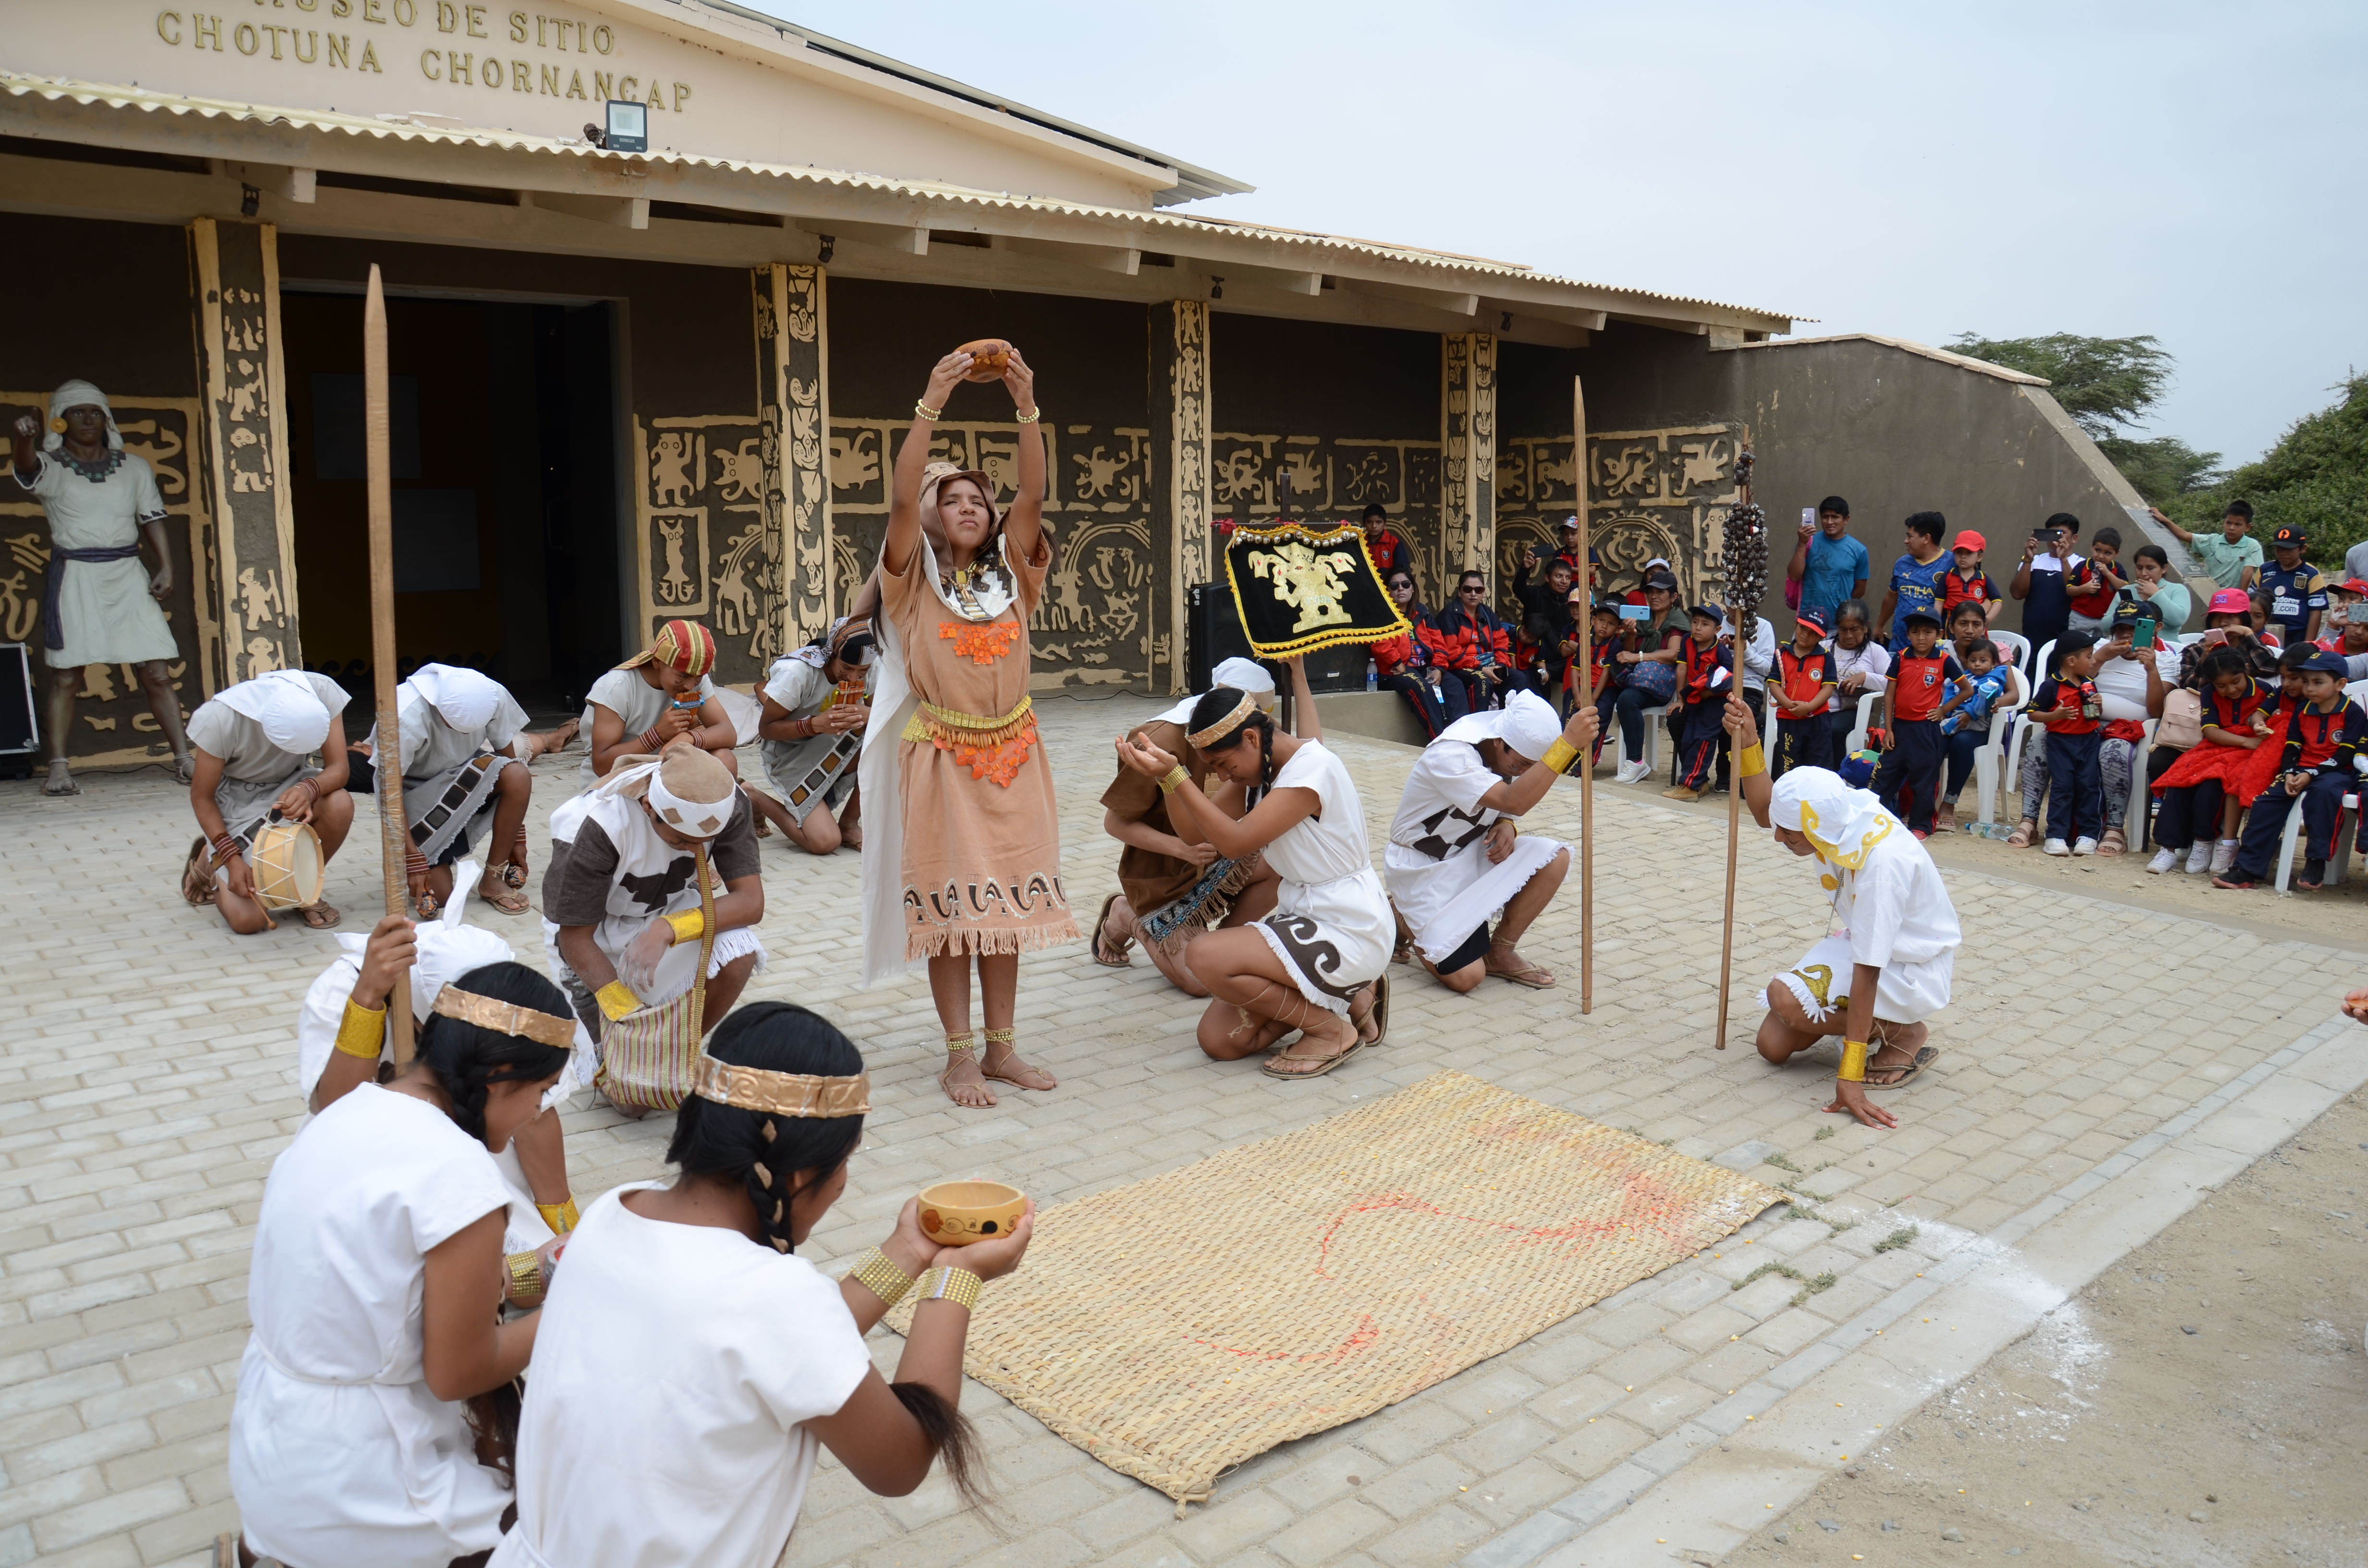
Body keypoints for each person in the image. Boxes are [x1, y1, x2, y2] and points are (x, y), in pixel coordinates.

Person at [489, 1003, 1031, 1568]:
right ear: (798, 1176)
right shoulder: (777, 1301)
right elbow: (900, 1465)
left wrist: (910, 1250)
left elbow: (774, 1352)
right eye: (845, 1161)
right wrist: (955, 1280)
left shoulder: (612, 1213)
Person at [225, 957, 573, 1568]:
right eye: (541, 1095)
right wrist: (576, 1307)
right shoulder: (458, 1176)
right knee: (553, 1519)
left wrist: (529, 1271)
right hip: (357, 1478)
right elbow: (458, 1373)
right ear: (499, 1078)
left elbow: (383, 1285)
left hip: (268, 1438)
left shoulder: (346, 1114)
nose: (536, 1117)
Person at [859, 345, 1071, 1110]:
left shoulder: (1018, 570)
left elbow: (1036, 494)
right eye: (953, 500)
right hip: (943, 759)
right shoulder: (911, 581)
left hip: (1016, 755)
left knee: (1006, 907)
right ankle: (959, 1058)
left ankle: (1003, 1048)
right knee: (952, 916)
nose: (972, 506)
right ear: (932, 518)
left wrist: (1026, 401)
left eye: (980, 497)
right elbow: (898, 501)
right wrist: (934, 394)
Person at [1114, 685, 1390, 1078]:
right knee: (1221, 1041)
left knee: (1204, 956)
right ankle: (1348, 995)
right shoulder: (1260, 767)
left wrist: (1177, 775)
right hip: (1308, 916)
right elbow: (1194, 834)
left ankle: (1330, 1031)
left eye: (1224, 765)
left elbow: (1234, 842)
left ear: (1250, 738)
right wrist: (1167, 781)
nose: (1225, 776)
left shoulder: (1311, 770)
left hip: (1350, 923)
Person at [1725, 695, 1960, 1125]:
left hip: (1908, 966)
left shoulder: (1880, 863)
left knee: (1784, 998)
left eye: (1788, 834)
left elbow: (1870, 968)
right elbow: (1764, 812)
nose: (1778, 838)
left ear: (1815, 827)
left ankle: (1905, 1031)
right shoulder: (1830, 811)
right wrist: (1750, 739)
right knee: (1773, 1047)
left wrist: (1848, 1077)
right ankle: (1868, 1027)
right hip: (1864, 947)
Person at [297, 894, 581, 1245]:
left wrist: (563, 1227)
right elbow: (335, 1113)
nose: (539, 1104)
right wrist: (369, 997)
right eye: (539, 1093)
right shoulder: (351, 986)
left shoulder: (496, 992)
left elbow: (535, 1117)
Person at [544, 744, 765, 1104]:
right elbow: (574, 939)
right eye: (680, 840)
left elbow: (751, 902)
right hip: (591, 938)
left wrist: (668, 929)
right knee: (630, 1100)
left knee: (739, 949)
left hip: (670, 915)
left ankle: (680, 1051)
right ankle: (635, 1046)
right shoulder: (594, 825)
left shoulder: (727, 802)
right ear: (649, 806)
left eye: (702, 843)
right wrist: (629, 1017)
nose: (693, 850)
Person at [9, 383, 193, 797]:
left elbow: (151, 517)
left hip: (128, 572)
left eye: (95, 412)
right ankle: (59, 769)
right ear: (62, 420)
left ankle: (183, 758)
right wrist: (23, 438)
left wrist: (165, 565)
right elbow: (25, 467)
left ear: (106, 418)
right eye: (78, 413)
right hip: (77, 575)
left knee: (157, 673)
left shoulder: (135, 467)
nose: (88, 420)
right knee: (68, 677)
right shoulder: (50, 465)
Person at [1092, 655, 1290, 994]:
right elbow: (1115, 823)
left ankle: (1221, 949)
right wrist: (1180, 848)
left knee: (1285, 861)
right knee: (1199, 985)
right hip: (1162, 876)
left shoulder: (1255, 740)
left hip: (1219, 857)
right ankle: (1125, 914)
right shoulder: (1157, 740)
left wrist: (1298, 674)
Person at [1384, 691, 1591, 992]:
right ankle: (1399, 913)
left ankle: (1500, 953)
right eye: (1520, 764)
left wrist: (1506, 823)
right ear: (1498, 741)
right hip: (1420, 869)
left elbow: (1509, 809)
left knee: (1555, 857)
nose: (1522, 773)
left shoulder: (1502, 752)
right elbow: (1514, 800)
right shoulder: (1451, 756)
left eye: (1531, 767)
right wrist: (1567, 747)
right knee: (1467, 979)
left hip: (1473, 853)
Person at [348, 663, 568, 919]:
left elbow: (509, 762)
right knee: (442, 897)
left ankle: (492, 878)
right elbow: (390, 795)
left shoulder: (491, 696)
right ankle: (420, 858)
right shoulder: (404, 714)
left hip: (465, 776)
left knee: (517, 774)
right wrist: (413, 860)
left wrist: (517, 835)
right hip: (412, 788)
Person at [182, 669, 355, 933]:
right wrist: (231, 858)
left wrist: (310, 788)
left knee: (339, 804)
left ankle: (303, 890)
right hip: (236, 800)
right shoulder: (219, 717)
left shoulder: (322, 692)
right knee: (248, 922)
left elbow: (339, 769)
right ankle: (212, 858)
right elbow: (202, 798)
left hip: (296, 781)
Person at [2213, 650, 2366, 892]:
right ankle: (2247, 869)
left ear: (2340, 684)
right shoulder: (2302, 710)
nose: (2309, 688)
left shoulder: (2353, 713)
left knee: (2325, 795)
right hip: (2301, 769)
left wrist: (2312, 774)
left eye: (2318, 682)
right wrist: (2290, 773)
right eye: (2306, 682)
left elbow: (2344, 755)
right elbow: (2292, 747)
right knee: (2265, 802)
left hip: (2336, 772)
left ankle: (2316, 862)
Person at [2147, 648, 2277, 875]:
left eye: (2236, 682)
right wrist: (2246, 742)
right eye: (2222, 686)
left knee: (2212, 786)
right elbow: (2210, 732)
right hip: (2218, 747)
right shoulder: (2209, 693)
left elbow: (2266, 725)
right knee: (2179, 780)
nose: (2231, 690)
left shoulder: (2266, 691)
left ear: (2246, 671)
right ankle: (2168, 848)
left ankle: (2203, 841)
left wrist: (2249, 742)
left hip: (2248, 755)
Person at [757, 615, 874, 856]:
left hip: (835, 744)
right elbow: (766, 729)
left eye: (862, 672)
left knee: (883, 742)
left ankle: (850, 824)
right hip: (789, 755)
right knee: (824, 843)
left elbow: (878, 717)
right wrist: (814, 726)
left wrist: (868, 713)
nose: (853, 679)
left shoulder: (872, 668)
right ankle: (754, 797)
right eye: (847, 669)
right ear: (831, 655)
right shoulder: (798, 673)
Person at [1869, 608, 1968, 837]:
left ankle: (1921, 825)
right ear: (1908, 634)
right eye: (1915, 632)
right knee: (1883, 776)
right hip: (1900, 729)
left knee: (1924, 781)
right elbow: (1890, 695)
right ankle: (1872, 819)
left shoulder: (1944, 660)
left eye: (1927, 632)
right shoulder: (1901, 657)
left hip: (1926, 731)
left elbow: (1966, 690)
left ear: (1939, 634)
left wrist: (1943, 710)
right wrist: (1889, 729)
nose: (1921, 638)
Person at [2087, 603, 2173, 854]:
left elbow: (2156, 711)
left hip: (2132, 731)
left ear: (2150, 632)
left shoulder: (2165, 660)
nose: (2126, 637)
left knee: (2113, 752)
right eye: (2120, 630)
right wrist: (2101, 657)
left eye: (2135, 630)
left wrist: (2151, 670)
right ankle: (2039, 822)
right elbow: (2072, 687)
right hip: (2088, 722)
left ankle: (2115, 828)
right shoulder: (2097, 651)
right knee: (2048, 744)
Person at [1935, 615, 2020, 832]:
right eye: (1963, 624)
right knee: (1933, 740)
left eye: (1976, 625)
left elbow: (2011, 694)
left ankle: (1948, 804)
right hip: (1954, 720)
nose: (1969, 630)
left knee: (1961, 743)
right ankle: (1924, 801)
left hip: (1984, 726)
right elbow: (1951, 691)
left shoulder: (1997, 658)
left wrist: (1993, 703)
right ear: (1952, 627)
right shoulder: (1945, 653)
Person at [2028, 631, 2106, 857]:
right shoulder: (2051, 686)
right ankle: (2055, 835)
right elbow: (2033, 713)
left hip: (2089, 741)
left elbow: (2095, 714)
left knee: (2090, 786)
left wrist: (2099, 704)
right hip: (2061, 743)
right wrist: (2055, 715)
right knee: (2062, 788)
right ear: (2072, 661)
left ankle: (2088, 835)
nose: (2093, 662)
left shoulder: (2089, 683)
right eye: (2089, 657)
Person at [1607, 569, 1688, 784]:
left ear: (1674, 597)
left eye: (1661, 592)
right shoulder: (1644, 617)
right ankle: (1635, 761)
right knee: (1623, 698)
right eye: (1650, 591)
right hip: (1641, 681)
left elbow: (1673, 654)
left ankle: (1635, 761)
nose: (1654, 596)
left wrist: (1639, 657)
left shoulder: (1677, 620)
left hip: (1664, 685)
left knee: (1627, 699)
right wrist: (1632, 634)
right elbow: (1628, 651)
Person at [1371, 568, 1468, 740]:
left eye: (1405, 584)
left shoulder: (1422, 613)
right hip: (1397, 671)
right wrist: (1397, 662)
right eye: (1394, 586)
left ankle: (1461, 739)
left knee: (1455, 685)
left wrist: (1439, 668)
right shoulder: (1381, 613)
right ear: (1388, 591)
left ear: (1413, 588)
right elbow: (1379, 642)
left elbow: (1439, 643)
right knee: (1421, 687)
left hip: (1425, 667)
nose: (1400, 589)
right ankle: (1440, 740)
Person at [2010, 514, 2096, 672]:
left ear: (2074, 538)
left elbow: (2075, 592)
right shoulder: (2034, 561)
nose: (2055, 539)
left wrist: (2063, 560)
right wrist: (2028, 560)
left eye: (2062, 534)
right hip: (2032, 641)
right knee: (2025, 688)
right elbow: (2017, 594)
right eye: (2051, 533)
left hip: (2067, 646)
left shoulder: (2082, 564)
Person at [1665, 604, 1733, 801]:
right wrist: (1681, 699)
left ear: (1717, 630)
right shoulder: (1687, 641)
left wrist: (1706, 694)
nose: (1697, 628)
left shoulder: (1721, 652)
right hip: (1693, 698)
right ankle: (1698, 782)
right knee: (1688, 738)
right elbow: (1682, 670)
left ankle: (1691, 786)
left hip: (1715, 702)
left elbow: (1729, 681)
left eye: (1705, 624)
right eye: (1695, 622)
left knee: (1703, 739)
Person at [1433, 568, 1525, 707]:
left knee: (1519, 678)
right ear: (1459, 591)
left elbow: (1501, 641)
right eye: (1468, 589)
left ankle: (1510, 722)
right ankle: (1477, 725)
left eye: (1478, 590)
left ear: (1483, 592)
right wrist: (1481, 668)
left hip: (1489, 665)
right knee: (1482, 681)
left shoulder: (1487, 613)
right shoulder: (1449, 615)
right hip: (1460, 667)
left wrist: (1500, 666)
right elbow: (1452, 653)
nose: (1473, 594)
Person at [1770, 608, 1839, 778]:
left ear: (1822, 637)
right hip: (1788, 719)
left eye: (1813, 633)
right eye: (1803, 628)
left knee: (1819, 764)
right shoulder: (1782, 653)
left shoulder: (1826, 657)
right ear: (1796, 624)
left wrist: (1808, 707)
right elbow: (1773, 684)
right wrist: (1789, 705)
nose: (1806, 635)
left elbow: (1828, 689)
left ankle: (1816, 800)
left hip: (1817, 720)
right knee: (1789, 764)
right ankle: (1791, 801)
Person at [1787, 495, 1870, 625]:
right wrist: (1802, 543)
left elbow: (1860, 590)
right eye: (1826, 517)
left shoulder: (1859, 550)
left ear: (1846, 519)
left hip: (1839, 624)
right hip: (1808, 620)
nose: (1830, 522)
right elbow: (1794, 575)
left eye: (1835, 517)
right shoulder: (1809, 542)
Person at [1876, 511, 1954, 647]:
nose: (1906, 541)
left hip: (1934, 649)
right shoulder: (1902, 564)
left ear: (1926, 538)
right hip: (1899, 646)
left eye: (1910, 536)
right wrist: (1880, 625)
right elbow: (1891, 597)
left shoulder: (1951, 564)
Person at [2151, 499, 2262, 594]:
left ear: (2248, 527)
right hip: (2209, 595)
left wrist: (2241, 598)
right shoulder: (2211, 541)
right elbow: (2184, 535)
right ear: (2224, 522)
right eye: (2229, 523)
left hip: (2232, 598)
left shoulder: (2253, 546)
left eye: (2238, 525)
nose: (2232, 528)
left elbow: (2247, 573)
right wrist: (2164, 520)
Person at [1825, 599, 1891, 748]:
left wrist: (1865, 678)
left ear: (1866, 628)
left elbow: (1893, 683)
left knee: (1834, 730)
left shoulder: (1875, 651)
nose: (1848, 635)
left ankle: (1836, 771)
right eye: (1843, 630)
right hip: (1819, 706)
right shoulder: (1824, 648)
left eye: (1854, 629)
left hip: (1852, 709)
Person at [2258, 525, 2330, 647]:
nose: (2283, 553)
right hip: (2266, 633)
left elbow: (2315, 613)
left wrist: (2308, 644)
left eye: (2288, 549)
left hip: (2297, 634)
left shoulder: (2311, 574)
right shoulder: (2264, 570)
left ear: (2303, 549)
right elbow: (2254, 601)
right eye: (2279, 549)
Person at [2066, 525, 2128, 637]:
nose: (2101, 556)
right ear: (2092, 547)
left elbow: (2124, 588)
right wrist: (2084, 588)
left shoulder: (2117, 569)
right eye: (2097, 550)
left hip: (2107, 619)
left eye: (2108, 553)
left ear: (2117, 554)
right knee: (2079, 648)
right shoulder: (2082, 566)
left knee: (2103, 649)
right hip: (2081, 616)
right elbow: (2069, 590)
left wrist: (2108, 573)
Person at [2118, 543, 2192, 632]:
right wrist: (2121, 612)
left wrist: (2156, 594)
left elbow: (2178, 620)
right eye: (2139, 568)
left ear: (2164, 568)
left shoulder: (2177, 590)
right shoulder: (2127, 590)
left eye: (2150, 568)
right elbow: (2105, 626)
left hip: (2166, 644)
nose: (2143, 573)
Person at [1939, 530, 2004, 624]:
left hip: (1975, 622)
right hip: (1951, 623)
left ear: (1979, 557)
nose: (1963, 557)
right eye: (1959, 552)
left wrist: (1988, 619)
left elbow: (1997, 601)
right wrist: (1937, 623)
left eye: (1969, 553)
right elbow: (1939, 602)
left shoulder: (1983, 578)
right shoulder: (1947, 576)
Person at [1360, 502, 1412, 579]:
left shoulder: (1394, 543)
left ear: (1385, 524)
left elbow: (1403, 571)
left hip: (1389, 589)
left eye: (1379, 522)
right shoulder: (1360, 544)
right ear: (1364, 524)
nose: (1374, 526)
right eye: (1370, 522)